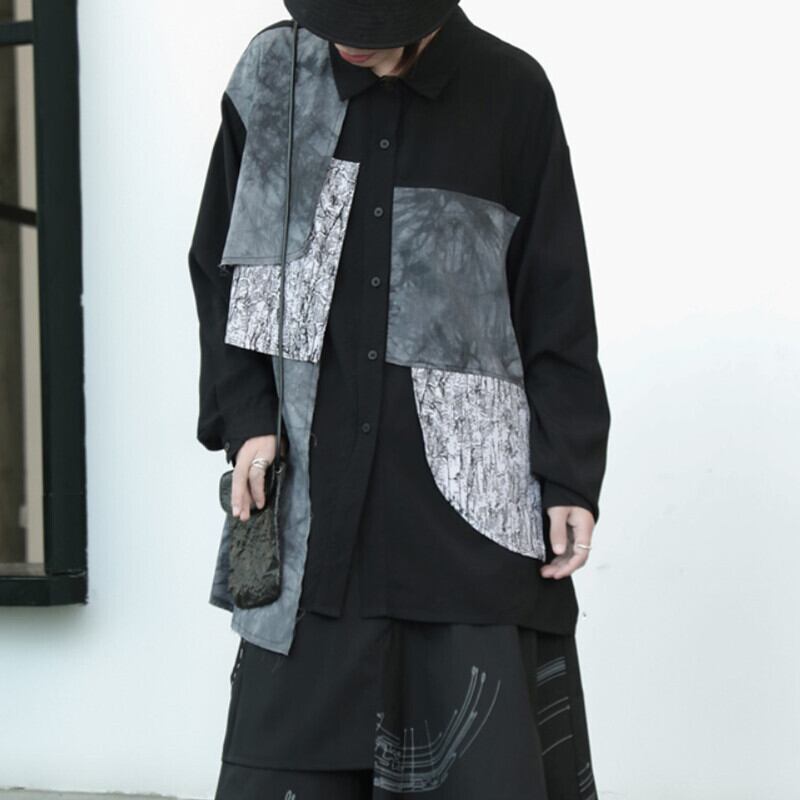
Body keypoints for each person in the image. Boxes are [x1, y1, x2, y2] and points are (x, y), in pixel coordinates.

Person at [187, 1, 611, 797]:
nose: (348, 40)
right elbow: (221, 263)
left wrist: (570, 473)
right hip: (313, 524)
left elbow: (554, 297)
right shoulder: (276, 73)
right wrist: (247, 419)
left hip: (466, 530)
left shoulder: (512, 91)